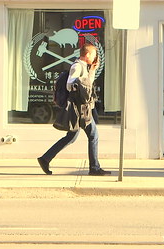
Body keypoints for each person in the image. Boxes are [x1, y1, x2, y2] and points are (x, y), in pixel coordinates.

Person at [37, 43, 110, 176]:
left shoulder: (84, 67)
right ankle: (94, 168)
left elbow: (87, 84)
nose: (95, 57)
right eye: (93, 54)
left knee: (71, 137)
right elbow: (70, 84)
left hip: (81, 108)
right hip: (80, 109)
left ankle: (45, 159)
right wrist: (83, 81)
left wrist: (92, 70)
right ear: (87, 54)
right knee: (93, 135)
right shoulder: (77, 66)